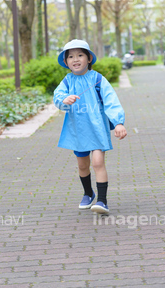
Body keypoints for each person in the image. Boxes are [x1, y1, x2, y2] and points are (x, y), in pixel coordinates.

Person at [53, 39, 127, 214]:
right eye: (71, 56)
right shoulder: (67, 81)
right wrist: (64, 99)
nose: (75, 59)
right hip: (77, 130)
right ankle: (88, 193)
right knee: (82, 165)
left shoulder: (97, 79)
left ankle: (102, 201)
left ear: (88, 59)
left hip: (97, 129)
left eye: (80, 55)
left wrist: (118, 122)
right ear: (66, 62)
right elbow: (58, 95)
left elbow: (111, 100)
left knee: (98, 162)